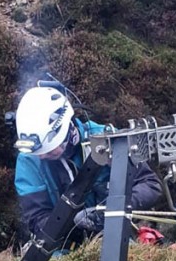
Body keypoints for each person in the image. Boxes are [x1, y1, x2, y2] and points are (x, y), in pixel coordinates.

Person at [13, 85, 162, 247]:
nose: (41, 156)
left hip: (114, 236)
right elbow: (37, 217)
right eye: (37, 152)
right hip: (59, 246)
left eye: (48, 150)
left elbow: (150, 185)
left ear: (68, 132)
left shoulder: (109, 140)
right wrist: (74, 224)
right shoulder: (28, 161)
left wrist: (112, 209)